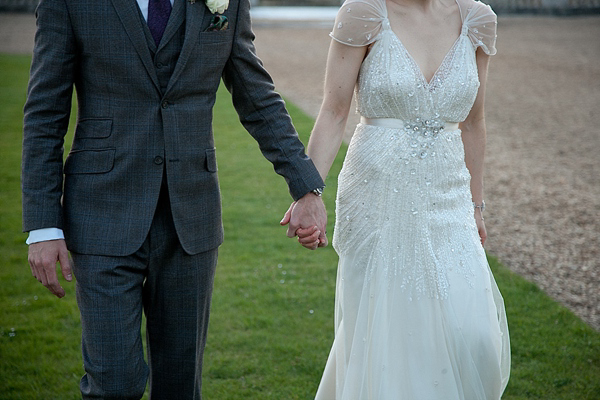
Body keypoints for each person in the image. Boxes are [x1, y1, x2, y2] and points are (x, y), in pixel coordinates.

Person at [22, 0, 328, 398]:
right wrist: (43, 225)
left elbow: (256, 96)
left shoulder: (227, 2)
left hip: (192, 218)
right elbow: (46, 113)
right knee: (114, 385)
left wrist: (305, 186)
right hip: (101, 214)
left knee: (181, 386)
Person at [284, 0, 511, 398]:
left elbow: (474, 123)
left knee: (474, 335)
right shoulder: (363, 12)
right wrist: (309, 192)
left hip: (449, 196)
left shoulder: (479, 20)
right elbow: (334, 112)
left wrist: (476, 207)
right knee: (388, 333)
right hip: (377, 197)